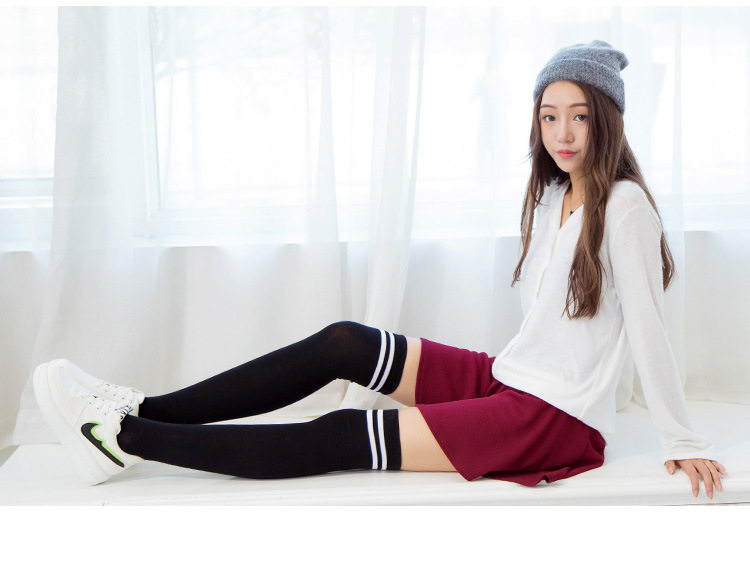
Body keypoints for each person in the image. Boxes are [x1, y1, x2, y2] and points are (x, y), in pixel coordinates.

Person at [33, 39, 726, 499]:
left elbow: (649, 327)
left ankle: (119, 437)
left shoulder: (625, 206)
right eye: (549, 117)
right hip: (513, 377)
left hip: (554, 419)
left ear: (608, 120)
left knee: (345, 433)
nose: (562, 134)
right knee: (346, 343)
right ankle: (139, 407)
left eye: (579, 117)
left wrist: (682, 436)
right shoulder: (552, 196)